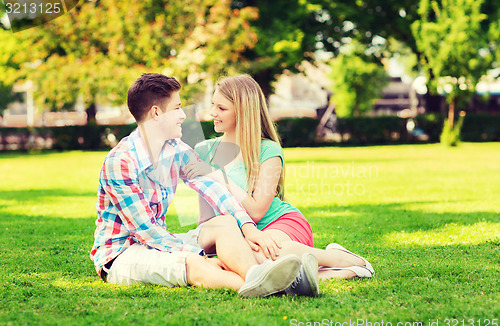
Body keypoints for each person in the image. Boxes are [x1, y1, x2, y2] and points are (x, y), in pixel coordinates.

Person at [90, 73, 313, 298]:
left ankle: (257, 273)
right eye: (177, 108)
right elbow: (148, 233)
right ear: (156, 113)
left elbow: (214, 190)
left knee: (225, 223)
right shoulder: (121, 162)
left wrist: (248, 228)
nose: (183, 115)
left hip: (158, 241)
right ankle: (281, 288)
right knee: (195, 264)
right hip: (122, 254)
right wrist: (199, 254)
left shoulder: (175, 149)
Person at [185, 74, 374, 290]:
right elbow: (205, 220)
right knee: (243, 261)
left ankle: (338, 258)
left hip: (280, 224)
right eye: (213, 106)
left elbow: (256, 211)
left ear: (243, 111)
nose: (212, 113)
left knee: (261, 256)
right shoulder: (203, 151)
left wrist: (219, 176)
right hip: (238, 235)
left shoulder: (268, 150)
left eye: (222, 108)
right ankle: (320, 273)